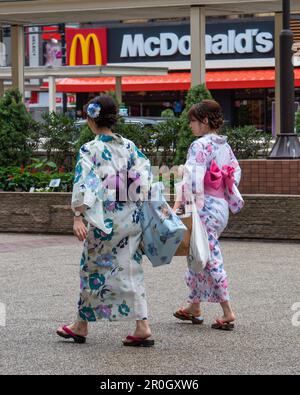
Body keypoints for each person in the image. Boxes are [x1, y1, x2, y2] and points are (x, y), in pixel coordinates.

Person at [56, 95, 154, 346]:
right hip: (130, 216)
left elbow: (84, 183)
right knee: (131, 268)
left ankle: (81, 325)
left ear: (91, 118)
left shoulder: (91, 149)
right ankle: (142, 325)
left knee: (92, 268)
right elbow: (145, 178)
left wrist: (78, 215)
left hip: (105, 220)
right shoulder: (130, 147)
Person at [173, 100, 244, 331]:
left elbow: (191, 181)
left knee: (209, 256)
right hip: (220, 205)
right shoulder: (224, 145)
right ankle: (193, 306)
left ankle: (227, 311)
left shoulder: (199, 145)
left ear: (204, 121)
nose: (190, 125)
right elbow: (234, 173)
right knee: (197, 252)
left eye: (193, 120)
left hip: (204, 207)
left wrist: (177, 206)